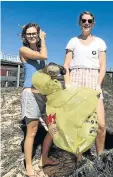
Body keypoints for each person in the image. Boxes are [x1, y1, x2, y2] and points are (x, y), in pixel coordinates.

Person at [63, 11, 107, 158]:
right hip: (76, 79)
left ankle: (100, 157)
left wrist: (98, 84)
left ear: (93, 23)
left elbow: (102, 67)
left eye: (89, 20)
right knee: (78, 123)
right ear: (79, 22)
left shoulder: (100, 42)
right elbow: (66, 66)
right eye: (83, 20)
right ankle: (79, 158)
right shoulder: (72, 41)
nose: (86, 23)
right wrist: (68, 85)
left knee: (100, 125)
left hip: (93, 80)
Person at [19, 23, 58, 176]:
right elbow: (44, 56)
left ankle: (44, 159)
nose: (32, 36)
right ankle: (29, 166)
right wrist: (43, 39)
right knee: (32, 131)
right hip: (30, 94)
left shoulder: (39, 51)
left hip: (43, 95)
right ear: (24, 36)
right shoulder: (24, 50)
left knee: (54, 128)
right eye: (29, 34)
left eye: (34, 33)